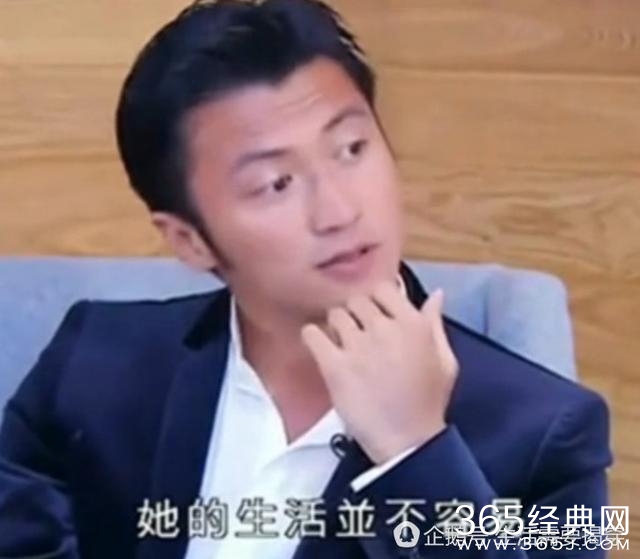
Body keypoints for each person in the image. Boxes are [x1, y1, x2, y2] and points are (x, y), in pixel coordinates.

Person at [0, 1, 612, 558]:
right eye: (276, 184)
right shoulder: (92, 369)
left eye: (352, 149)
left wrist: (415, 453)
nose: (340, 211)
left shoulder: (546, 436)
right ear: (188, 239)